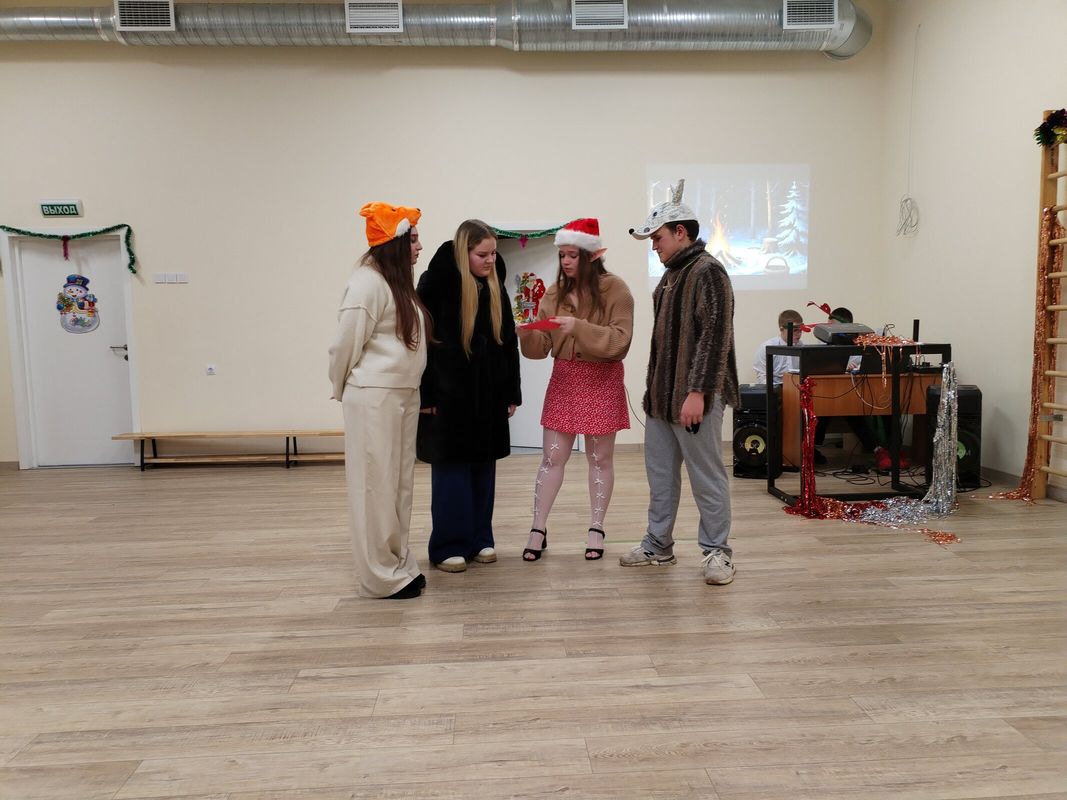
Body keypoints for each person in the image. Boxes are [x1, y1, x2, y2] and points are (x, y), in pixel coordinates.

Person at [623, 180, 739, 586]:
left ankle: (718, 552)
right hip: (661, 400)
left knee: (706, 476)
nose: (654, 246)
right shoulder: (669, 278)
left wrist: (697, 393)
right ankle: (658, 544)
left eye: (657, 238)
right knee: (660, 477)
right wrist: (654, 395)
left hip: (694, 399)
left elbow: (715, 337)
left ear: (680, 232)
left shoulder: (708, 272)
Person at [516, 218, 634, 562]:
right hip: (565, 380)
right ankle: (538, 528)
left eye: (572, 255)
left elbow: (621, 342)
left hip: (601, 379)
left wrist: (578, 327)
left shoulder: (617, 290)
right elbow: (541, 349)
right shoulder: (553, 293)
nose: (566, 262)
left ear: (591, 256)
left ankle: (596, 528)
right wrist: (527, 335)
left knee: (600, 458)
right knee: (552, 457)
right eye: (562, 255)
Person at [328, 201, 429, 600]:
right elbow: (344, 347)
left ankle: (397, 562)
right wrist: (344, 389)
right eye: (414, 239)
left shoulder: (394, 283)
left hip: (401, 394)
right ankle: (379, 576)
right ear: (396, 243)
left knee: (399, 484)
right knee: (375, 486)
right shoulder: (366, 284)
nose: (419, 247)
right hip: (374, 397)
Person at [416, 219, 521, 573]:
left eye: (493, 253)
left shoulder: (494, 282)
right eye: (482, 254)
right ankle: (447, 544)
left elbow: (507, 340)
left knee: (483, 469)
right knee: (452, 472)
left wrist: (510, 391)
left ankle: (480, 538)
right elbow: (421, 343)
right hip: (448, 397)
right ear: (465, 252)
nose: (491, 260)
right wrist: (426, 394)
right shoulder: (436, 283)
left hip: (487, 395)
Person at [752, 308, 804, 385]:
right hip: (774, 388)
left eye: (801, 330)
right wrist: (775, 390)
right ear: (781, 329)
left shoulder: (802, 346)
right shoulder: (767, 347)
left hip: (796, 388)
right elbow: (762, 376)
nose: (799, 334)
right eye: (795, 330)